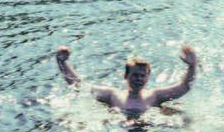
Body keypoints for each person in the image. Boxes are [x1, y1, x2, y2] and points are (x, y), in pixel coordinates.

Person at [55, 43, 197, 116]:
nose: (139, 79)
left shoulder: (155, 96)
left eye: (142, 76)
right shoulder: (112, 95)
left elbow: (184, 87)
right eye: (135, 75)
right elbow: (79, 86)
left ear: (148, 78)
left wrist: (192, 66)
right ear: (126, 76)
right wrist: (62, 62)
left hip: (151, 131)